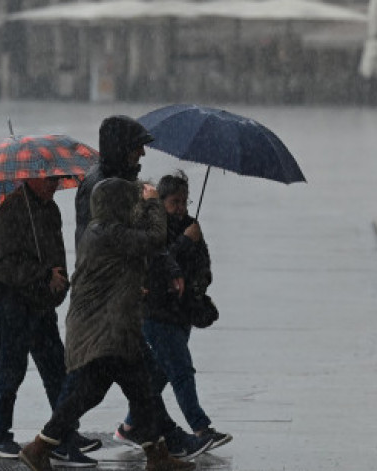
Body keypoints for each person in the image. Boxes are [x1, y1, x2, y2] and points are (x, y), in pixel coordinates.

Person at [19, 178, 201, 471]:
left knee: (139, 388)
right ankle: (40, 445)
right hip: (103, 330)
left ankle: (156, 454)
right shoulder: (106, 232)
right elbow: (154, 239)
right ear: (117, 204)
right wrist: (154, 202)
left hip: (113, 326)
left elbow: (128, 256)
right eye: (130, 202)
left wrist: (131, 286)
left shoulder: (106, 229)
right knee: (92, 392)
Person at [114, 170, 232, 452]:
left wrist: (198, 282)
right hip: (157, 313)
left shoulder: (192, 226)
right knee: (181, 370)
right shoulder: (154, 227)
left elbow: (204, 265)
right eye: (174, 202)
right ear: (162, 202)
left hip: (183, 313)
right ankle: (201, 427)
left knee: (160, 374)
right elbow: (155, 261)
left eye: (183, 201)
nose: (180, 208)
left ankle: (129, 426)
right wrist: (184, 243)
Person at [0, 176, 97, 467]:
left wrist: (58, 282)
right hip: (11, 302)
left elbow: (54, 252)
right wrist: (44, 275)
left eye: (57, 179)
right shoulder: (11, 210)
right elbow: (6, 264)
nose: (55, 184)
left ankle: (63, 434)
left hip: (40, 302)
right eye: (49, 179)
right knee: (12, 369)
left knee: (56, 369)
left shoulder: (50, 209)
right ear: (30, 178)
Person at [75, 114, 154, 248]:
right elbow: (118, 239)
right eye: (138, 146)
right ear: (123, 148)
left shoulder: (121, 178)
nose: (143, 153)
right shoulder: (102, 186)